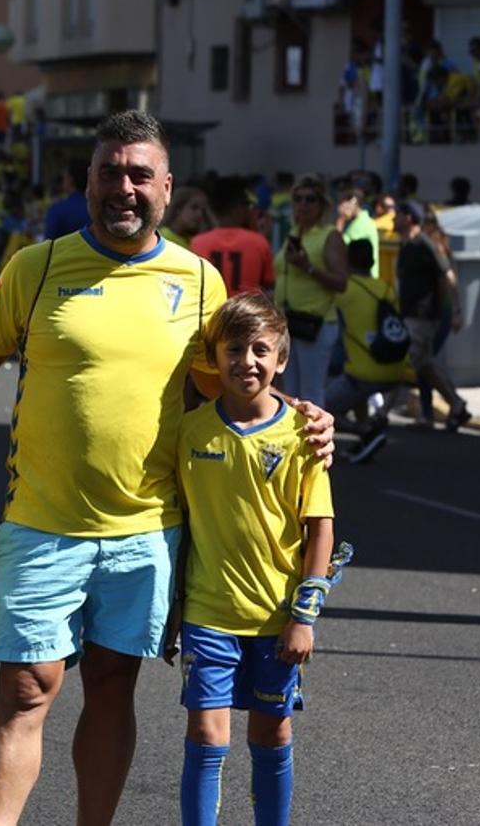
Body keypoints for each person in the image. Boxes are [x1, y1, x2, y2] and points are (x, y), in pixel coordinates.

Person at [0, 110, 335, 826]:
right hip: (41, 523)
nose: (124, 187)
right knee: (26, 688)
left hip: (147, 530)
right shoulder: (36, 268)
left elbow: (235, 380)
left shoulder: (198, 281)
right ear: (88, 182)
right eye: (110, 172)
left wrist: (301, 413)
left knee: (112, 685)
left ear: (167, 188)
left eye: (141, 174)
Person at [167, 292, 337, 826]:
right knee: (205, 733)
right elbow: (179, 527)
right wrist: (172, 611)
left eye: (261, 350)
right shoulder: (189, 433)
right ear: (213, 360)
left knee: (271, 732)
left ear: (281, 359)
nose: (247, 361)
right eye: (234, 349)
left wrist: (304, 617)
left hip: (276, 618)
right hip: (208, 614)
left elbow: (320, 530)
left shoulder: (303, 435)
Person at [273, 174, 348, 407]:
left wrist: (307, 267)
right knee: (291, 393)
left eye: (310, 199)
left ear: (322, 204)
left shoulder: (329, 236)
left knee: (311, 393)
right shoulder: (294, 232)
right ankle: (296, 443)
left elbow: (341, 282)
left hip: (316, 322)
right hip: (289, 321)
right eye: (298, 199)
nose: (303, 205)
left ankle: (319, 442)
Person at [394, 202, 471, 430]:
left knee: (417, 360)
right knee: (422, 363)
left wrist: (456, 310)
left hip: (424, 315)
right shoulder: (406, 245)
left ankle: (383, 412)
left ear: (408, 217)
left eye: (397, 214)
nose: (393, 218)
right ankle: (455, 404)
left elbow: (448, 275)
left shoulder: (424, 244)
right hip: (410, 314)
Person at [327, 238, 405, 462]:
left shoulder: (345, 291)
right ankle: (364, 442)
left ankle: (367, 433)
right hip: (395, 368)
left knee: (324, 410)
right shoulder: (386, 288)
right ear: (372, 261)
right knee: (357, 396)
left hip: (364, 372)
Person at [191, 176, 275, 296]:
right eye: (248, 206)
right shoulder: (259, 242)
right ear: (239, 209)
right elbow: (269, 287)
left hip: (211, 311)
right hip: (245, 312)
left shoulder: (197, 243)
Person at [335, 185, 380, 279]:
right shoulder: (359, 222)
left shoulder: (361, 224)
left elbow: (337, 248)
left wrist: (341, 220)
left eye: (342, 202)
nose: (339, 207)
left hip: (362, 281)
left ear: (353, 201)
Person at [43, 159, 89, 241]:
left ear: (70, 179)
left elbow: (47, 243)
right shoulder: (98, 209)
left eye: (64, 177)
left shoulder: (57, 210)